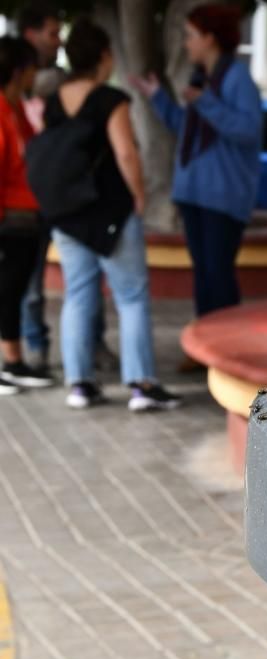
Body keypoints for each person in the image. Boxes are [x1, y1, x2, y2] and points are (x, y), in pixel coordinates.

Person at [44, 18, 181, 411]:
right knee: (132, 295)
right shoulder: (110, 98)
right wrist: (138, 195)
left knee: (78, 296)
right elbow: (125, 152)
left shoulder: (55, 101)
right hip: (110, 212)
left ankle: (80, 383)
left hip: (69, 214)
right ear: (104, 56)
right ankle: (142, 384)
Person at [133, 4, 262, 368]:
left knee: (218, 275)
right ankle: (206, 349)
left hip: (223, 196)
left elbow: (247, 131)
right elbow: (185, 127)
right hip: (192, 193)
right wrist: (158, 96)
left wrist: (205, 102)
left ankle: (227, 350)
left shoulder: (236, 78)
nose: (185, 42)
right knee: (204, 276)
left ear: (210, 37)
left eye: (190, 35)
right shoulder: (199, 78)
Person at [18, 1, 118, 372]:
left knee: (84, 280)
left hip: (66, 193)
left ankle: (94, 346)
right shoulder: (13, 74)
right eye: (51, 32)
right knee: (30, 282)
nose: (58, 40)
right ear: (31, 34)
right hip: (24, 196)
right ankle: (33, 347)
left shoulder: (64, 82)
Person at [0, 36, 54, 394]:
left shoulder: (16, 106)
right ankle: (10, 363)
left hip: (27, 217)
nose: (37, 74)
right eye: (33, 68)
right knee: (8, 290)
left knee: (15, 289)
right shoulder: (2, 110)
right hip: (10, 219)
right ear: (20, 71)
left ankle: (15, 363)